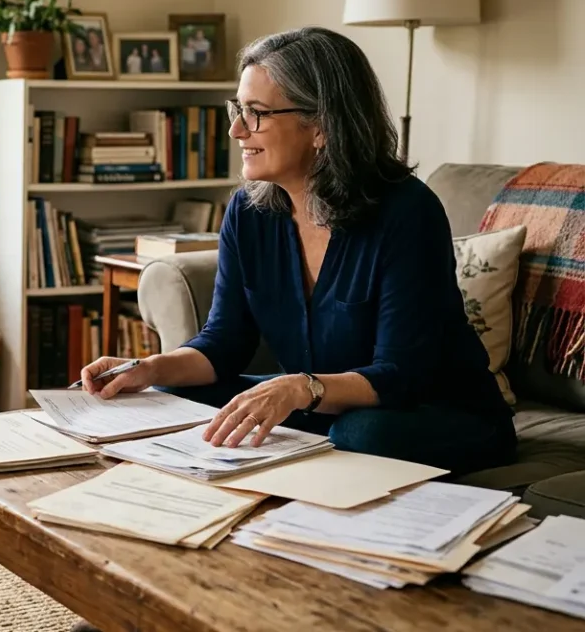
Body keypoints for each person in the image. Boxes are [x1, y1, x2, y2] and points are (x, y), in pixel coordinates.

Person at [79, 26, 517, 478]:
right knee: (173, 393)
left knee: (359, 435)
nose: (235, 129)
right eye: (238, 110)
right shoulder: (249, 212)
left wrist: (297, 390)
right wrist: (148, 369)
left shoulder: (408, 213)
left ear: (322, 126)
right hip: (321, 405)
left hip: (433, 410)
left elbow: (402, 373)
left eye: (256, 113)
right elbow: (224, 345)